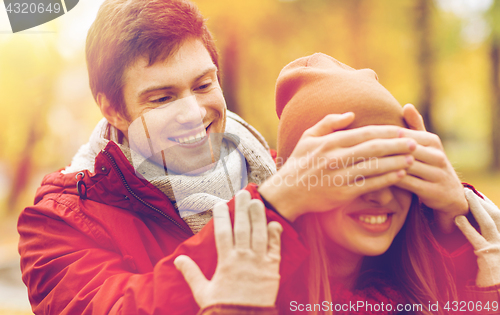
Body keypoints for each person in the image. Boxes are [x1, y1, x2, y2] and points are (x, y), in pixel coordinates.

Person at [17, 0, 464, 314]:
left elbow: (399, 275)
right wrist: (272, 208)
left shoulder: (280, 173)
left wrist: (451, 213)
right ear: (113, 108)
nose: (194, 113)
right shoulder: (57, 221)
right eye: (161, 97)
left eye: (203, 84)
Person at [174, 53, 500, 315]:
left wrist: (466, 247)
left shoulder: (430, 281)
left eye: (396, 168)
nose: (382, 195)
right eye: (355, 172)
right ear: (299, 180)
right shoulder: (255, 290)